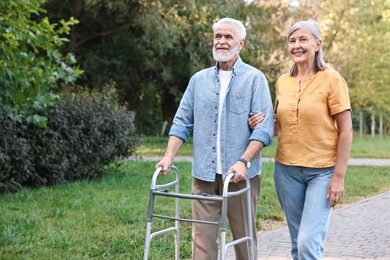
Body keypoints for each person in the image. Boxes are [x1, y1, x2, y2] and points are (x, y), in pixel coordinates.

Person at [155, 17, 274, 260]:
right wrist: (168, 157)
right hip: (204, 175)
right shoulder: (198, 80)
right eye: (218, 36)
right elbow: (182, 121)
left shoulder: (255, 79)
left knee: (244, 241)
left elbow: (263, 130)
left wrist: (244, 161)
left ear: (240, 44)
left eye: (227, 37)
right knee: (202, 243)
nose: (221, 41)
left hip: (241, 175)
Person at [250, 19, 353, 259]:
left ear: (317, 44)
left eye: (303, 39)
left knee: (308, 242)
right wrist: (262, 123)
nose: (296, 45)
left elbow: (346, 131)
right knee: (298, 243)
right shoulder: (282, 82)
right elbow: (284, 124)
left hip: (322, 172)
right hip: (286, 171)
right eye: (292, 40)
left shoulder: (332, 79)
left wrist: (338, 177)